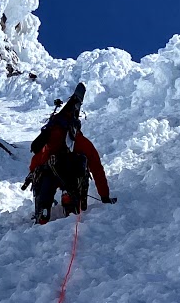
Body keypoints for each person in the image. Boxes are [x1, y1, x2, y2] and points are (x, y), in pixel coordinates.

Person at [22, 83, 117, 223]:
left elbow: (36, 161)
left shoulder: (51, 138)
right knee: (78, 173)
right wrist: (104, 196)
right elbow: (97, 170)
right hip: (73, 176)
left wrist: (33, 174)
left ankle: (43, 211)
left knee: (43, 175)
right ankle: (72, 204)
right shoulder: (83, 143)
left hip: (50, 174)